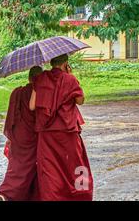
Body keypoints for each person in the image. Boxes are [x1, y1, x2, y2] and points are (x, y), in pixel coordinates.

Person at [29, 54, 93, 201]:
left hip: (46, 133)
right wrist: (71, 76)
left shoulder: (40, 78)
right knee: (76, 164)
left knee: (50, 169)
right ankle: (80, 195)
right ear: (65, 63)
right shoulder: (69, 79)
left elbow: (32, 106)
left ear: (51, 63)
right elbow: (80, 100)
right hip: (67, 131)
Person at [0, 66, 43, 201]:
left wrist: (10, 137)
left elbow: (12, 117)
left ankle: (5, 194)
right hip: (32, 137)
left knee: (16, 167)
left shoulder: (17, 92)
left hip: (18, 136)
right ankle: (13, 194)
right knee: (31, 168)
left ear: (29, 77)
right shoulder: (39, 93)